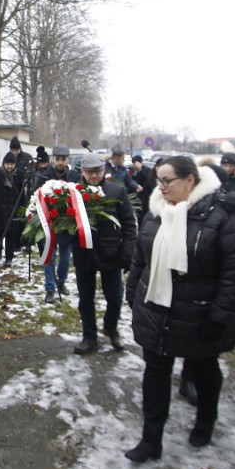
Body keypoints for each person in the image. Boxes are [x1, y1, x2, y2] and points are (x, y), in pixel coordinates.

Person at [124, 158, 235, 462]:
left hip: (200, 311)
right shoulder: (156, 211)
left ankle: (205, 422)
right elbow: (140, 258)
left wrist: (220, 315)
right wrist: (133, 295)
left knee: (205, 368)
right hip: (157, 307)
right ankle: (151, 440)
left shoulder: (222, 215)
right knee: (155, 370)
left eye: (167, 180)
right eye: (158, 180)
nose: (161, 187)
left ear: (190, 180)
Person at [72, 153, 137, 354]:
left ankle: (110, 328)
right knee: (86, 298)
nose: (94, 176)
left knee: (115, 297)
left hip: (112, 254)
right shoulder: (72, 193)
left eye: (98, 171)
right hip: (84, 254)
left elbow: (128, 224)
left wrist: (127, 252)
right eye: (90, 172)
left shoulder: (117, 191)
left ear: (104, 170)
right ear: (82, 171)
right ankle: (89, 336)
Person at [37, 145, 82, 302]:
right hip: (48, 223)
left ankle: (61, 282)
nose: (60, 162)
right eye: (58, 159)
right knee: (49, 257)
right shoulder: (44, 176)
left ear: (67, 160)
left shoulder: (75, 177)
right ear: (53, 159)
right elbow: (36, 197)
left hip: (67, 225)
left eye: (63, 159)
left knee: (65, 259)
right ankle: (50, 288)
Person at [0, 153, 24, 266]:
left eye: (12, 164)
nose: (10, 166)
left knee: (11, 235)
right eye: (7, 164)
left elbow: (22, 193)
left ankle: (9, 257)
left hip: (13, 209)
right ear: (4, 163)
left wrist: (23, 208)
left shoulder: (19, 174)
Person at [129, 154, 153, 224]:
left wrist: (140, 170)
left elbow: (148, 180)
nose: (134, 165)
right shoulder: (131, 170)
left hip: (145, 197)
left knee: (144, 217)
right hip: (135, 196)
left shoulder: (147, 170)